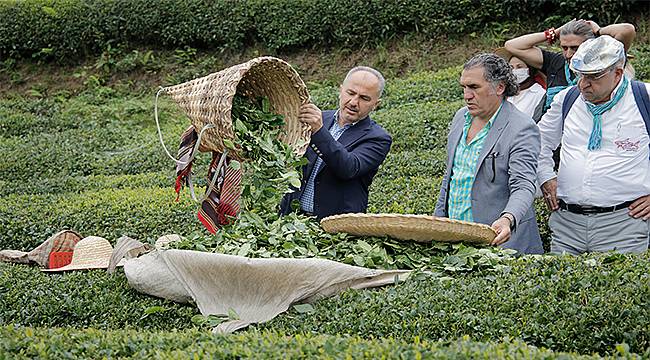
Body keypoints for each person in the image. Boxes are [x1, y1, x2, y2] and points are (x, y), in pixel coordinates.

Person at [537, 35, 650, 255]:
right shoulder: (567, 99)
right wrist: (545, 176)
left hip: (625, 222)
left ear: (617, 73)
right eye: (580, 75)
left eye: (594, 77)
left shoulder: (643, 97)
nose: (583, 84)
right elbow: (537, 143)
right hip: (567, 223)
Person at [434, 53, 543, 254]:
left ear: (499, 87)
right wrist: (436, 222)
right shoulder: (461, 118)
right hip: (455, 241)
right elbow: (451, 177)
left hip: (499, 242)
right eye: (464, 88)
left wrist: (507, 218)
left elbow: (524, 184)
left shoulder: (521, 128)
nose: (467, 95)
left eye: (474, 87)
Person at [280, 66, 392, 220]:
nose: (353, 102)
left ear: (376, 104)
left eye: (364, 98)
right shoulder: (321, 119)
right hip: (292, 219)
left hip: (336, 228)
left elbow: (349, 167)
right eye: (350, 93)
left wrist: (319, 131)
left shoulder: (378, 138)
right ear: (341, 90)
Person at [504, 19, 636, 121]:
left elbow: (627, 30)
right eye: (564, 47)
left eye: (575, 48)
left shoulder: (603, 63)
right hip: (553, 137)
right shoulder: (556, 62)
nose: (568, 54)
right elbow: (512, 45)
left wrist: (598, 32)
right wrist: (554, 33)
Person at [496, 48, 546, 116]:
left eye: (519, 67)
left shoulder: (539, 94)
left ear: (530, 69)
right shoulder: (505, 93)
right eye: (511, 68)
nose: (515, 71)